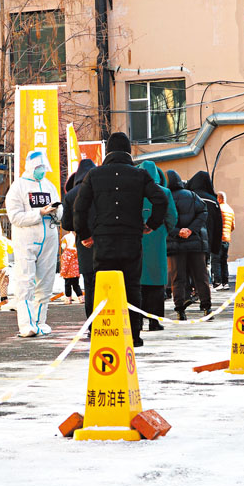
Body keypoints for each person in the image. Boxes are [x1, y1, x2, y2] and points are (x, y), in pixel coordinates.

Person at [74, 133, 168, 347]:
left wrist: (85, 234)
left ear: (108, 153)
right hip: (131, 237)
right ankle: (134, 335)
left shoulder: (94, 175)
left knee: (103, 286)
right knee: (132, 286)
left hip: (103, 240)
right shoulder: (140, 175)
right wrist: (151, 224)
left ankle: (105, 330)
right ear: (129, 152)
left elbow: (80, 207)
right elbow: (160, 199)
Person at [5, 149, 63, 337]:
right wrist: (39, 213)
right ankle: (26, 324)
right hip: (26, 241)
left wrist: (56, 212)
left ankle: (40, 321)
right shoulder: (18, 187)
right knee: (26, 281)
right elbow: (15, 217)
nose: (42, 170)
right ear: (31, 167)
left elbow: (59, 209)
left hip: (50, 239)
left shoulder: (49, 186)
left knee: (46, 282)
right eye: (39, 167)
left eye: (43, 167)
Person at [166, 170, 210, 320]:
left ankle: (180, 310)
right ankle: (206, 308)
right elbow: (203, 211)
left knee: (177, 278)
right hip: (195, 243)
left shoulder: (166, 197)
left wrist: (178, 231)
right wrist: (191, 229)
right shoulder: (192, 195)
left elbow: (164, 220)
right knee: (201, 276)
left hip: (174, 244)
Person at [139, 161, 178, 331]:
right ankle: (154, 322)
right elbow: (172, 217)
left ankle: (136, 322)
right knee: (156, 282)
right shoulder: (165, 192)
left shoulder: (134, 191)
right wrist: (162, 232)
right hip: (157, 239)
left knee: (137, 283)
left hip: (136, 240)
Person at [61, 158, 97, 320]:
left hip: (84, 245)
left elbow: (67, 224)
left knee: (89, 286)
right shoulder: (102, 189)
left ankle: (92, 323)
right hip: (105, 243)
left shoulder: (71, 195)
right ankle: (109, 322)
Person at [186, 170, 222, 291]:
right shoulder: (213, 200)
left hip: (189, 237)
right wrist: (216, 247)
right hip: (207, 240)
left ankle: (189, 288)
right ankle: (200, 290)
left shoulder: (189, 196)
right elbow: (219, 224)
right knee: (202, 265)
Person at [214, 191, 235, 290]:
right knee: (224, 261)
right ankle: (225, 282)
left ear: (219, 199)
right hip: (226, 238)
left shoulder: (218, 209)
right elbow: (233, 226)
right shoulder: (230, 210)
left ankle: (217, 282)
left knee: (216, 260)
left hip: (218, 238)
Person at [60, 233, 82, 304]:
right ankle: (81, 297)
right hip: (75, 273)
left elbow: (65, 264)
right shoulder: (77, 252)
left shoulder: (67, 253)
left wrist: (63, 273)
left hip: (68, 273)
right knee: (76, 285)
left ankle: (68, 299)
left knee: (67, 285)